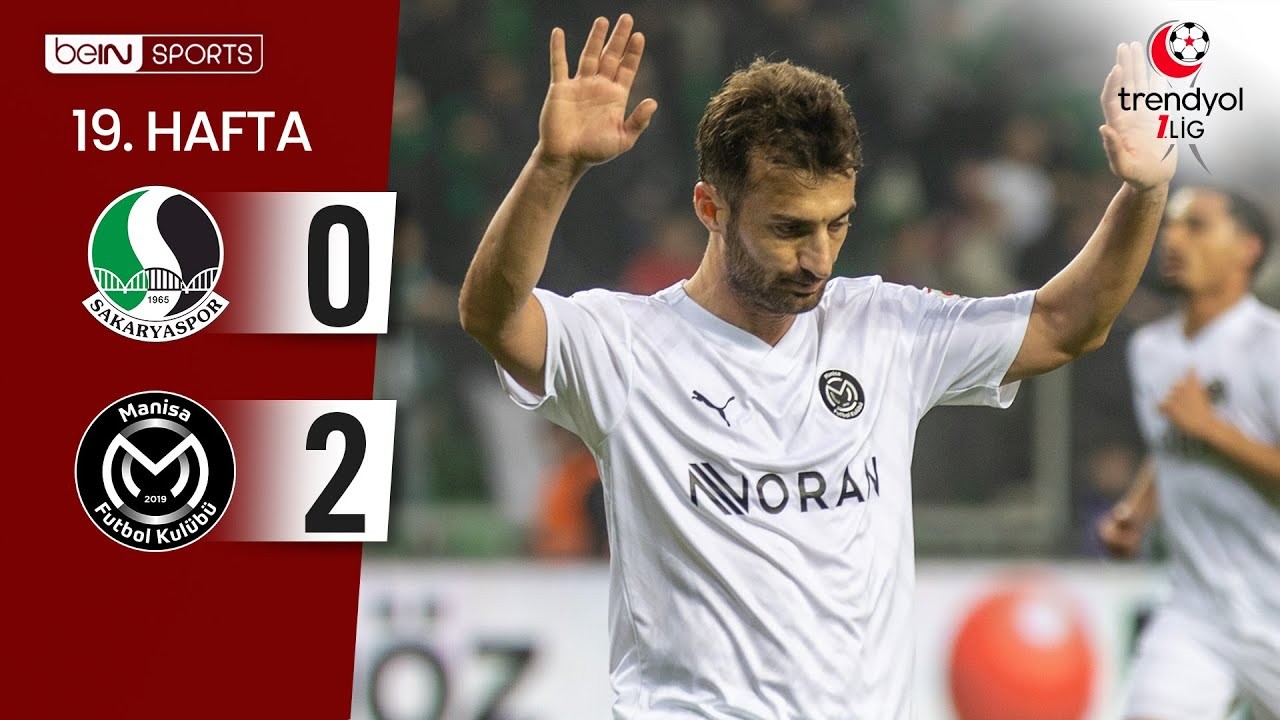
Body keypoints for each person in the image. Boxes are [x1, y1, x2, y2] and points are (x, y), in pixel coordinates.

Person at [459, 15, 1173, 718]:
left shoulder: (885, 328)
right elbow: (493, 316)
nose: (819, 259)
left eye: (839, 222)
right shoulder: (626, 345)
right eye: (789, 228)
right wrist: (553, 170)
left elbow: (1065, 324)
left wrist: (1143, 193)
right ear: (711, 208)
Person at [1097, 185, 1280, 720]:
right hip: (1198, 614)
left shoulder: (1270, 346)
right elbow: (1168, 450)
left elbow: (1197, 434)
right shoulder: (1151, 350)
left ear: (1247, 249)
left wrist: (1212, 431)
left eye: (1196, 225)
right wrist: (1136, 511)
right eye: (1171, 225)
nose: (1173, 238)